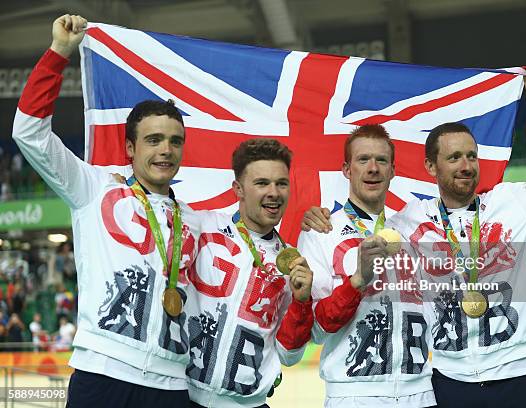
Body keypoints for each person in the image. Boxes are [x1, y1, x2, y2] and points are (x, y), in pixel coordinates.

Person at [303, 69, 526, 407]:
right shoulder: (408, 221)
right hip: (448, 383)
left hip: (516, 376)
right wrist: (318, 215)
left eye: (472, 156)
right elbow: (361, 216)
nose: (466, 165)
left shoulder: (515, 203)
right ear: (431, 167)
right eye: (454, 157)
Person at [13, 15, 202, 407]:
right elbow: (28, 132)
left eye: (175, 141)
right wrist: (58, 54)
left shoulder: (196, 220)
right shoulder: (92, 187)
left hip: (171, 385)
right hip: (103, 374)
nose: (166, 150)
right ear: (130, 148)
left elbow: (256, 226)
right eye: (153, 140)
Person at [298, 125, 436, 407]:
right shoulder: (322, 232)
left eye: (381, 160)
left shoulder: (413, 230)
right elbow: (315, 328)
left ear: (393, 171)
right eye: (363, 160)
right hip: (354, 395)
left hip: (421, 394)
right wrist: (356, 281)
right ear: (347, 170)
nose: (373, 168)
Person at [186, 138, 315, 407]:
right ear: (239, 189)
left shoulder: (291, 262)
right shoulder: (202, 226)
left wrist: (301, 303)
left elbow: (289, 355)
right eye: (261, 183)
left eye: (281, 183)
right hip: (181, 397)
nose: (274, 192)